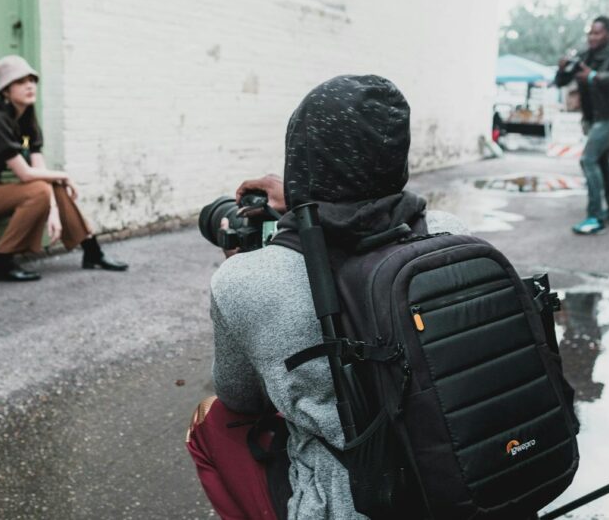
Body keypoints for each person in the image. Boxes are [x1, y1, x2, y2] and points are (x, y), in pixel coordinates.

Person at [185, 75, 469, 519]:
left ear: (299, 156)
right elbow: (371, 219)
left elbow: (241, 399)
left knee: (213, 421)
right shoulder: (452, 233)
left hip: (357, 504)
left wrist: (287, 217)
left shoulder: (246, 279)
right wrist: (307, 203)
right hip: (469, 475)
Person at [0, 55, 127, 282]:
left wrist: (53, 207)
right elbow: (26, 174)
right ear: (6, 91)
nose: (29, 86)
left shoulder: (26, 122)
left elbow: (39, 171)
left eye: (32, 80)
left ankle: (92, 252)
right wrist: (64, 175)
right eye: (20, 82)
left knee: (52, 185)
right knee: (40, 189)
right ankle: (0, 263)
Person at [555, 16, 609, 235]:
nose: (592, 37)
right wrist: (562, 69)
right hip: (592, 118)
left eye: (597, 33)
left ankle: (595, 217)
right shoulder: (584, 55)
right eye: (590, 33)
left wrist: (594, 76)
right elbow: (561, 82)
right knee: (601, 162)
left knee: (588, 160)